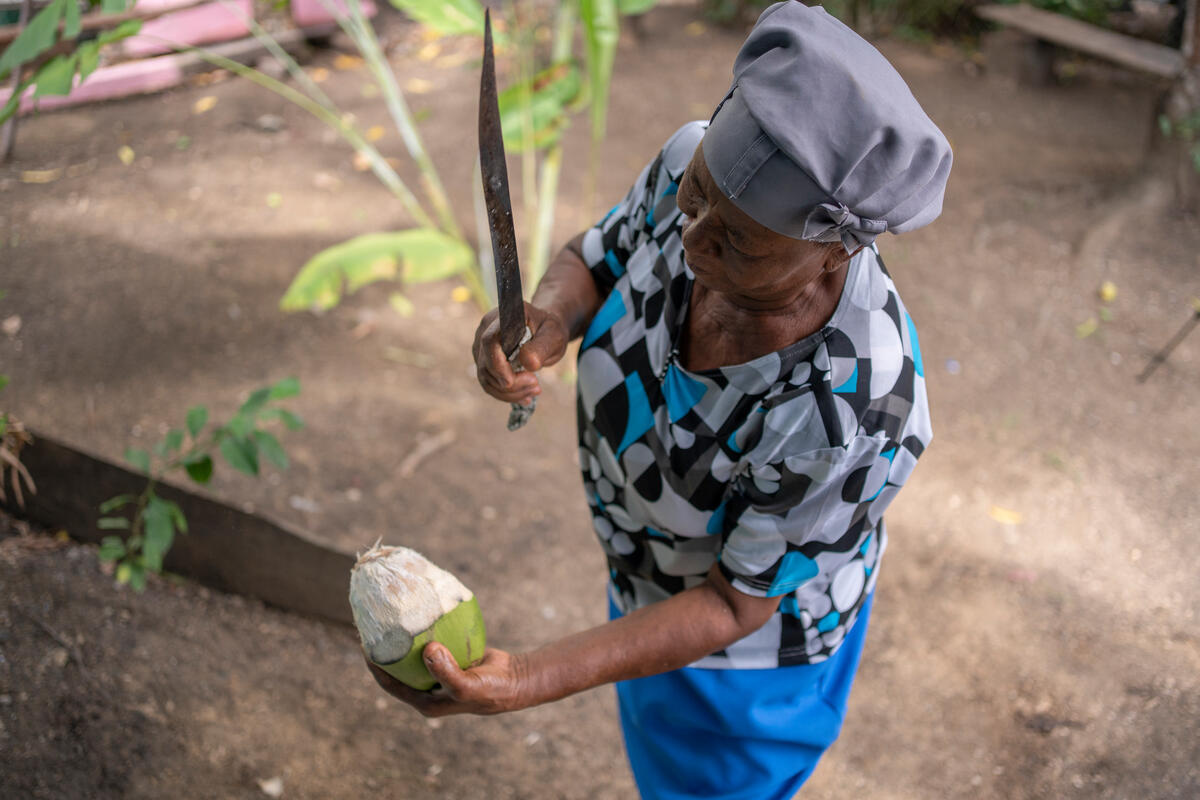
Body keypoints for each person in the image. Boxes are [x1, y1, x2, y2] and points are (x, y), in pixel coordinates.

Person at [366, 3, 952, 797]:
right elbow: (595, 257)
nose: (694, 236)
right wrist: (547, 317)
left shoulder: (853, 405)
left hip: (742, 664)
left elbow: (731, 609)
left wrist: (533, 676)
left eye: (737, 240)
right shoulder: (688, 166)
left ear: (834, 251)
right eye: (697, 194)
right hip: (647, 584)